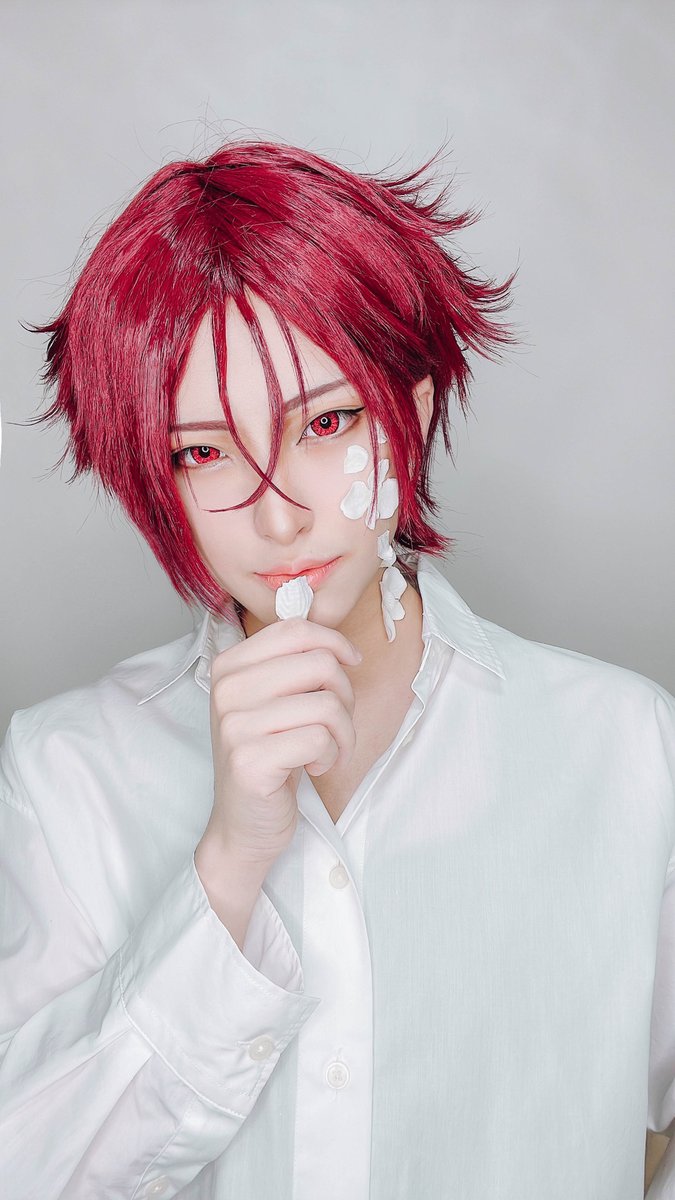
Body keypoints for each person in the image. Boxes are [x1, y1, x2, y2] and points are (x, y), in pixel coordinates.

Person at [0, 138, 674, 1200]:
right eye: (202, 451)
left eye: (324, 422)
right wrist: (228, 865)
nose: (278, 516)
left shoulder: (625, 749)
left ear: (410, 413)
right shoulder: (61, 773)